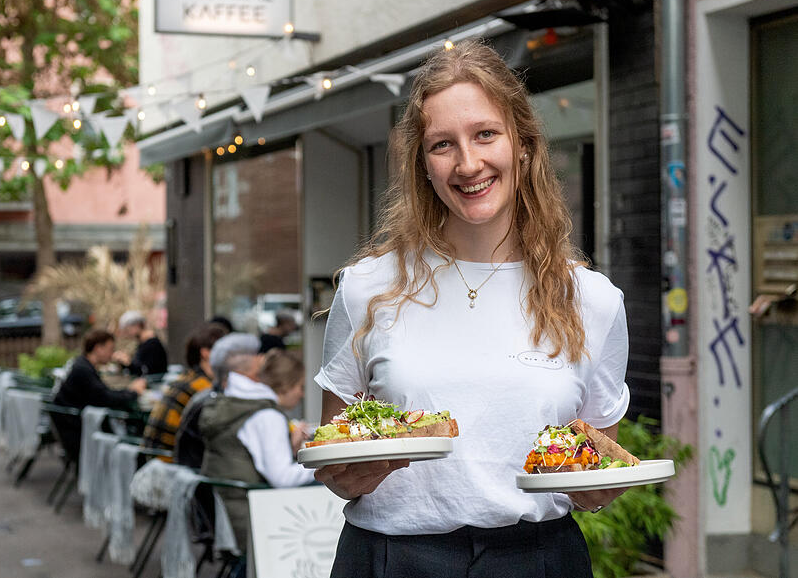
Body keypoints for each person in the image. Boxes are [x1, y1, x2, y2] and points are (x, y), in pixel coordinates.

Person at [313, 39, 630, 578]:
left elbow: (597, 464)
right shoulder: (368, 287)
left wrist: (599, 489)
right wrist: (343, 476)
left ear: (523, 144)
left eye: (486, 134)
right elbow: (333, 448)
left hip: (539, 559)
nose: (468, 163)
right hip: (393, 559)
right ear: (423, 166)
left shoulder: (592, 299)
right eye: (442, 144)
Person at [198, 341, 315, 548]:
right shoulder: (267, 417)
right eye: (300, 387)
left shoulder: (233, 404)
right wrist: (323, 464)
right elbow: (282, 478)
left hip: (223, 512)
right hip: (251, 518)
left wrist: (288, 449)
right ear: (285, 386)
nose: (302, 394)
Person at [51, 329, 147, 458]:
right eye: (110, 349)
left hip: (74, 427)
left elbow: (102, 394)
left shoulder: (82, 364)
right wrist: (133, 392)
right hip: (79, 433)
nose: (112, 353)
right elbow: (105, 398)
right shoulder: (83, 369)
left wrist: (128, 390)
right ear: (98, 348)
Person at [141, 322, 227, 457]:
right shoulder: (203, 388)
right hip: (171, 465)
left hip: (153, 462)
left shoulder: (186, 378)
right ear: (206, 353)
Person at [112, 310, 168, 377]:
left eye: (128, 329)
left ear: (137, 325)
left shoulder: (152, 344)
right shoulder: (143, 343)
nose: (127, 333)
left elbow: (147, 370)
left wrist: (129, 363)